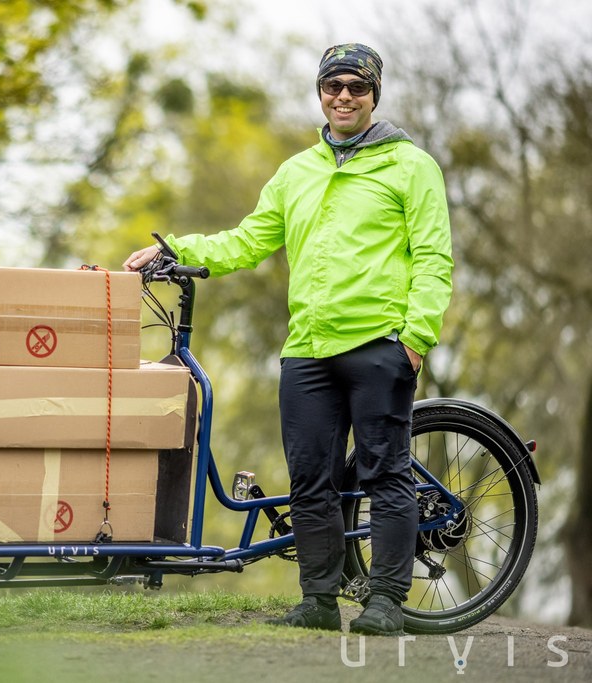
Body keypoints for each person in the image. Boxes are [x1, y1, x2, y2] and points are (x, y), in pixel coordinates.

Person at [124, 43, 453, 636]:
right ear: (321, 94)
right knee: (310, 477)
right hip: (307, 349)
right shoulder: (297, 172)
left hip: (379, 341)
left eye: (356, 87)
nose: (344, 96)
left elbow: (434, 257)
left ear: (375, 94)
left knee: (385, 474)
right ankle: (320, 601)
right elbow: (248, 241)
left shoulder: (412, 166)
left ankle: (384, 602)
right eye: (334, 86)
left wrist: (416, 336)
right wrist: (178, 249)